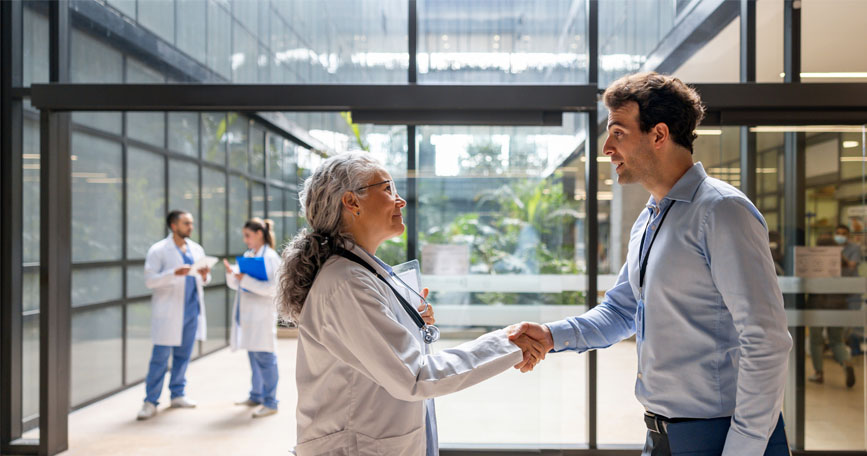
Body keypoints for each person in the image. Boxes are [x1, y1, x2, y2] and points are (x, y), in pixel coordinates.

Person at [508, 72, 792, 456]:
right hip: (661, 435)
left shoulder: (723, 212)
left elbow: (766, 340)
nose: (607, 147)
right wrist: (551, 335)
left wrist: (744, 447)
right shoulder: (650, 218)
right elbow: (621, 310)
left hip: (721, 438)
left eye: (618, 132)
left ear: (659, 135)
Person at [278, 152, 546, 456]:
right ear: (352, 202)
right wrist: (509, 343)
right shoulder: (346, 283)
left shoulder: (363, 273)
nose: (400, 200)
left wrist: (409, 319)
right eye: (388, 188)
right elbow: (414, 376)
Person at [137, 210, 211, 420]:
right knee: (159, 359)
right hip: (169, 314)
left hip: (191, 312)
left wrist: (205, 275)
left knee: (183, 357)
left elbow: (202, 278)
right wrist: (173, 274)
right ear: (173, 225)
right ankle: (150, 401)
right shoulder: (159, 250)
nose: (191, 227)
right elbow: (150, 280)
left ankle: (178, 394)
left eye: (191, 223)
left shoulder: (196, 249)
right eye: (186, 223)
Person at [224, 217, 283, 418]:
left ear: (259, 234)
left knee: (265, 359)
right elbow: (238, 285)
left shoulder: (271, 257)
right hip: (248, 315)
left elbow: (275, 289)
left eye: (248, 236)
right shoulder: (249, 255)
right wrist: (232, 275)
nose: (246, 240)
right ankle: (256, 395)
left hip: (262, 316)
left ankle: (271, 401)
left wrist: (246, 279)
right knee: (254, 357)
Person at [807, 231, 856, 388]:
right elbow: (850, 287)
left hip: (817, 305)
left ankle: (819, 373)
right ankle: (846, 362)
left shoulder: (813, 264)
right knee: (836, 340)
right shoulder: (843, 264)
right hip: (839, 305)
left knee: (816, 341)